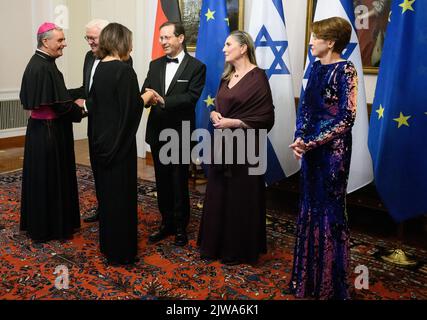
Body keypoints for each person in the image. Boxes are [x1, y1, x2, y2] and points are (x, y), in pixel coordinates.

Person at [289, 17, 358, 299]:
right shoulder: (316, 68)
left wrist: (312, 142)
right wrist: (299, 138)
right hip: (310, 151)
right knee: (309, 206)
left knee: (329, 211)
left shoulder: (347, 70)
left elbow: (347, 117)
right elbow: (306, 108)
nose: (310, 41)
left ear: (330, 42)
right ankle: (307, 281)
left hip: (333, 154)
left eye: (315, 37)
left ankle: (330, 286)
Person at [197, 31, 275, 266]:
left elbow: (266, 117)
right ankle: (215, 246)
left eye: (228, 44)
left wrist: (235, 122)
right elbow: (220, 105)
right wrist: (213, 113)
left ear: (243, 48)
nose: (223, 49)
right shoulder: (225, 77)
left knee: (240, 198)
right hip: (222, 147)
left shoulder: (258, 78)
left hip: (245, 151)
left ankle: (237, 250)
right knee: (219, 194)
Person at [89, 23, 155, 264]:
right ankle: (122, 253)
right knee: (121, 197)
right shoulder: (124, 71)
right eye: (129, 40)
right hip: (119, 146)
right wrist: (146, 97)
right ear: (121, 42)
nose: (132, 45)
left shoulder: (100, 69)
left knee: (107, 196)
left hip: (101, 142)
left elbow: (99, 106)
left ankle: (108, 246)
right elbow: (130, 110)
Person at [19, 22, 86, 242]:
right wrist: (82, 109)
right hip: (49, 133)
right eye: (60, 40)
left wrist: (77, 94)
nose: (64, 44)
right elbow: (61, 106)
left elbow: (56, 95)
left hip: (39, 132)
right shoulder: (43, 66)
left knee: (42, 179)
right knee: (51, 180)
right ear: (45, 41)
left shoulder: (40, 62)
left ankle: (40, 225)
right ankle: (51, 228)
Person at [141, 21, 206, 247]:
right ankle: (166, 223)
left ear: (180, 38)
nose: (163, 42)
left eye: (167, 37)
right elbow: (146, 89)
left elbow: (191, 98)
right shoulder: (155, 64)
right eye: (161, 38)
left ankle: (180, 227)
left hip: (179, 132)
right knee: (162, 180)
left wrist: (164, 100)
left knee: (178, 180)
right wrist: (146, 97)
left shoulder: (196, 67)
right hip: (158, 131)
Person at [68, 19, 133, 223]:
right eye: (87, 37)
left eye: (93, 37)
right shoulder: (89, 57)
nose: (89, 42)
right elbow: (88, 89)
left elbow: (113, 98)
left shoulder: (122, 61)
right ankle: (102, 207)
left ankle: (113, 210)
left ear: (106, 36)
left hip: (112, 128)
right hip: (94, 126)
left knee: (114, 173)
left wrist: (87, 104)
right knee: (98, 168)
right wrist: (61, 95)